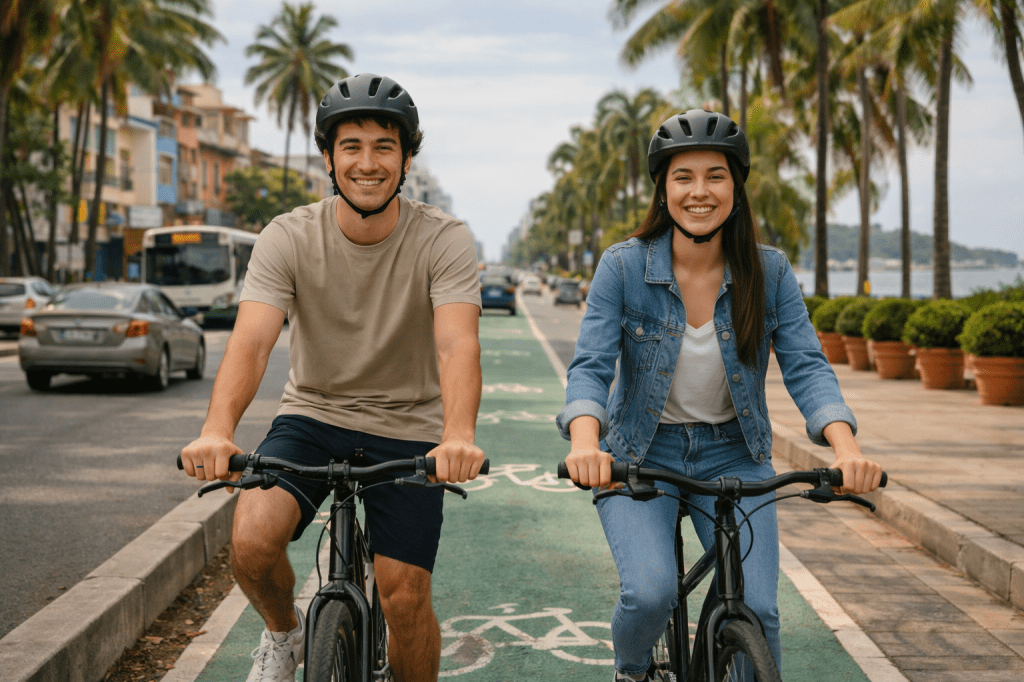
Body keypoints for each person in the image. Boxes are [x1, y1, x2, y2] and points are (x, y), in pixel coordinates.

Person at [180, 72, 486, 682]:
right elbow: (253, 338)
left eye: (384, 147)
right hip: (313, 416)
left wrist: (457, 435)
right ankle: (284, 634)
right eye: (352, 146)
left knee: (404, 596)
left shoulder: (443, 238)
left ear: (405, 159)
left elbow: (457, 343)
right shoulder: (287, 235)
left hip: (410, 425)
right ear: (328, 157)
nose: (367, 163)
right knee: (252, 542)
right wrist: (217, 429)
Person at [558, 109, 883, 682]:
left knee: (757, 609)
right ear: (663, 188)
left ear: (736, 187)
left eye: (716, 176)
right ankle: (631, 671)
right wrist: (588, 444)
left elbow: (806, 365)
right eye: (683, 177)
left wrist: (846, 449)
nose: (699, 191)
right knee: (651, 593)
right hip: (640, 453)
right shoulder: (624, 266)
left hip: (736, 453)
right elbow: (590, 367)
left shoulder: (769, 271)